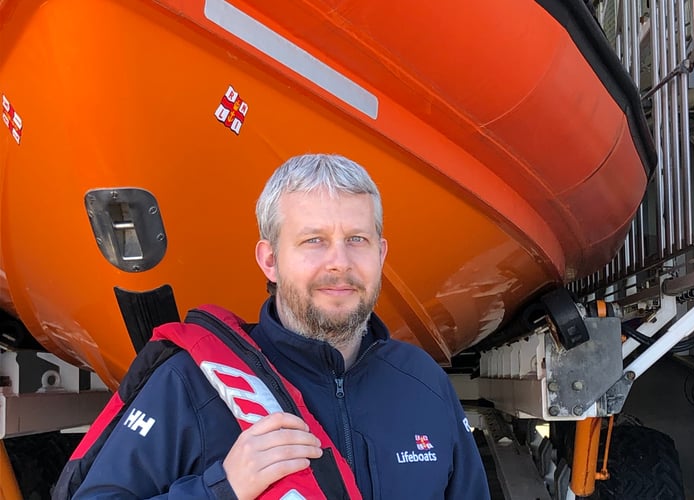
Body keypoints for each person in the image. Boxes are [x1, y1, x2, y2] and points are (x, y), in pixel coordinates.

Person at [72, 153, 491, 499]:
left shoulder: (423, 383)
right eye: (314, 240)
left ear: (381, 254)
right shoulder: (190, 384)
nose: (339, 262)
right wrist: (220, 488)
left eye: (357, 240)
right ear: (269, 260)